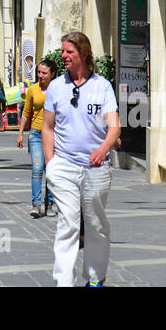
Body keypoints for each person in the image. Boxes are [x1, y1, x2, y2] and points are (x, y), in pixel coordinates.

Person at [43, 32, 120, 287]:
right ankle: (63, 282)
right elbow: (48, 127)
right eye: (63, 51)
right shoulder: (56, 87)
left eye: (69, 52)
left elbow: (114, 127)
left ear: (83, 54)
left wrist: (103, 149)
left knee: (96, 225)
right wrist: (50, 163)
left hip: (95, 168)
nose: (63, 56)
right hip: (63, 165)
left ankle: (95, 278)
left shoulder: (102, 86)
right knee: (68, 223)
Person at [19, 58, 57, 217]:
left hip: (54, 134)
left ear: (53, 74)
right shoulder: (33, 90)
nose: (40, 75)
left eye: (44, 73)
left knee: (51, 169)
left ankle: (50, 204)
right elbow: (26, 113)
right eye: (39, 72)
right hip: (35, 133)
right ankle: (36, 204)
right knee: (37, 169)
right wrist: (21, 133)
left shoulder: (58, 89)